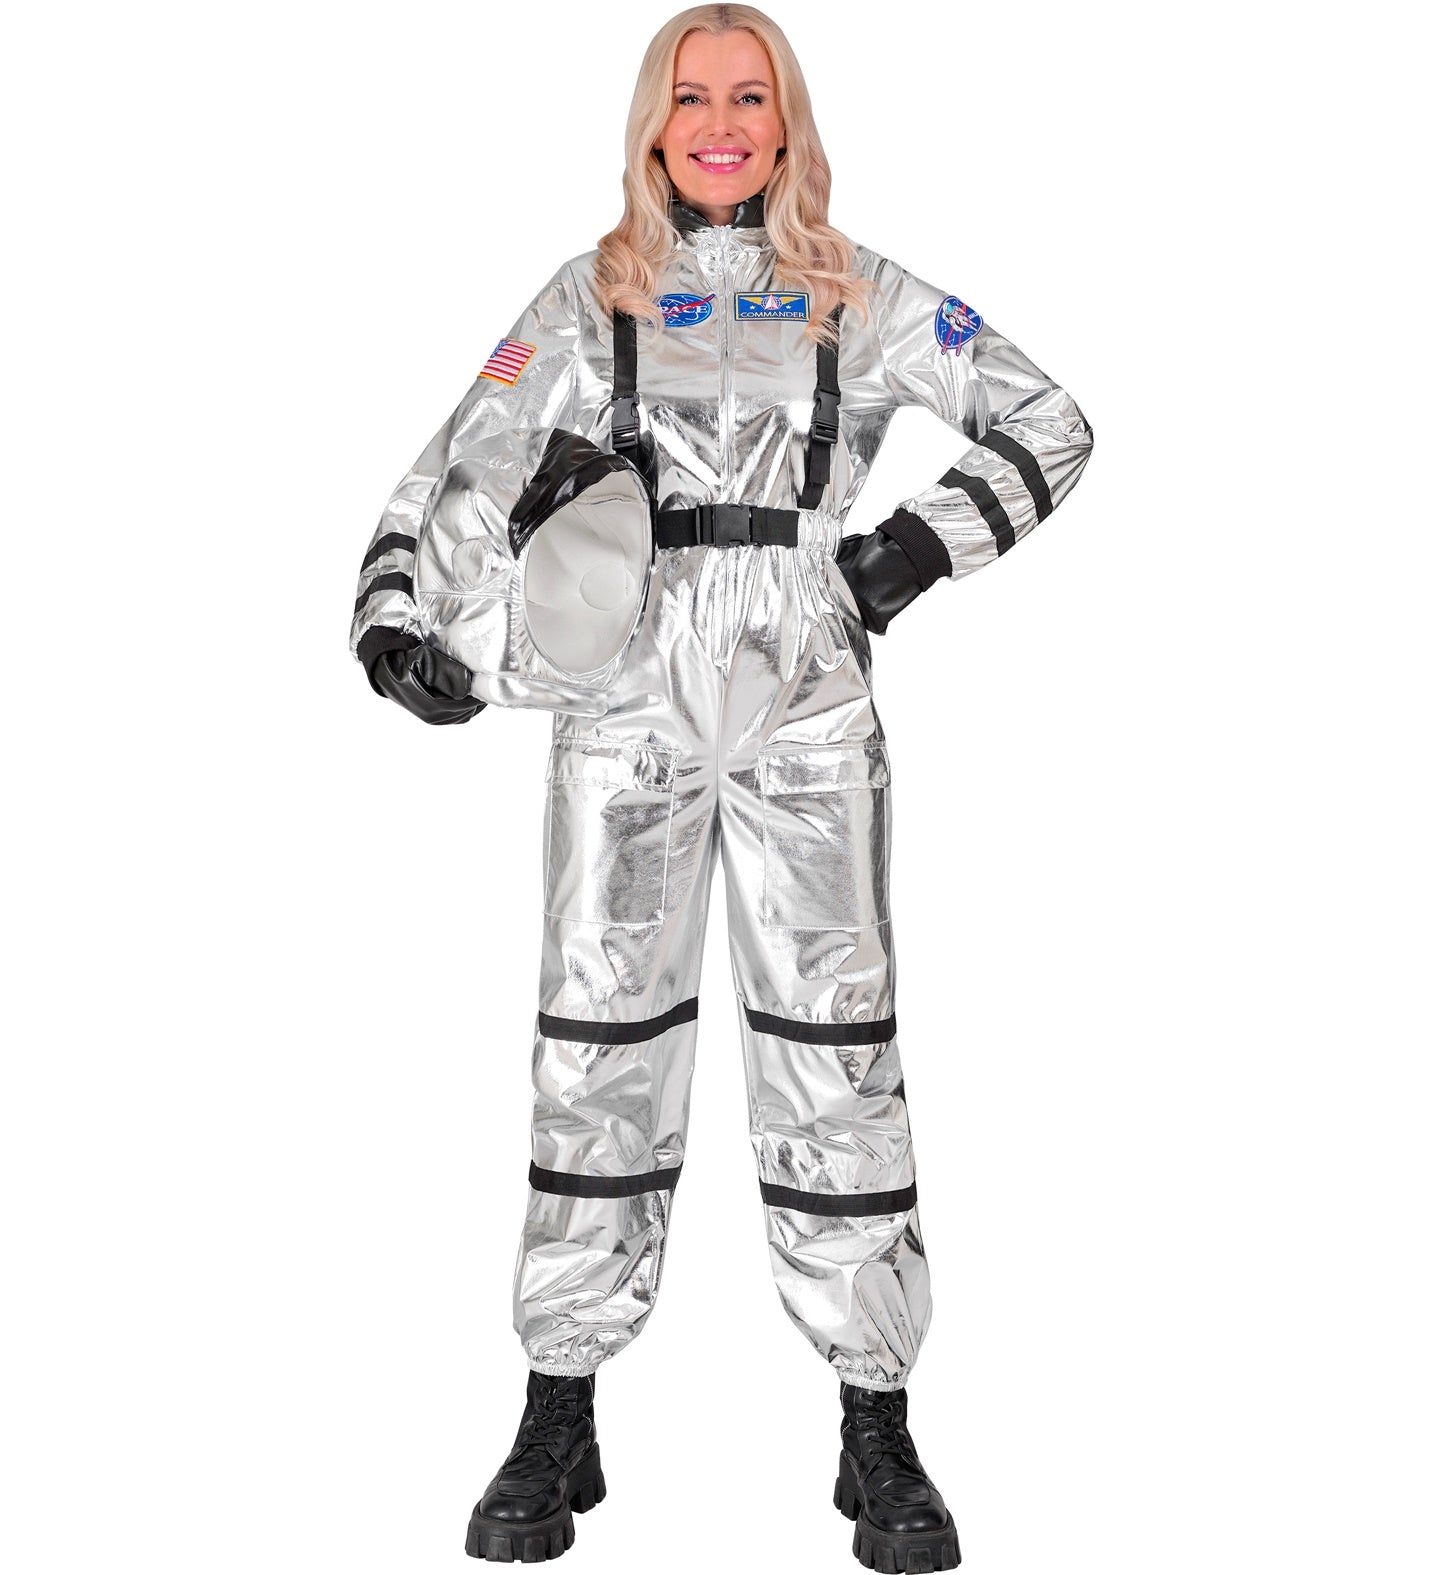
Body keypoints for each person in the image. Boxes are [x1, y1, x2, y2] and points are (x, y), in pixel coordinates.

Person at [348, 5, 1093, 1566]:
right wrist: (402, 616)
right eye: (691, 98)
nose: (720, 125)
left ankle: (874, 1420)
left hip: (805, 696)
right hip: (623, 693)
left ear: (787, 120)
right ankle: (559, 1403)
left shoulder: (860, 292)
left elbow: (1047, 417)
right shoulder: (586, 296)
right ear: (653, 122)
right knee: (596, 1037)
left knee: (835, 1041)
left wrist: (906, 554)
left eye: (750, 97)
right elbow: (464, 454)